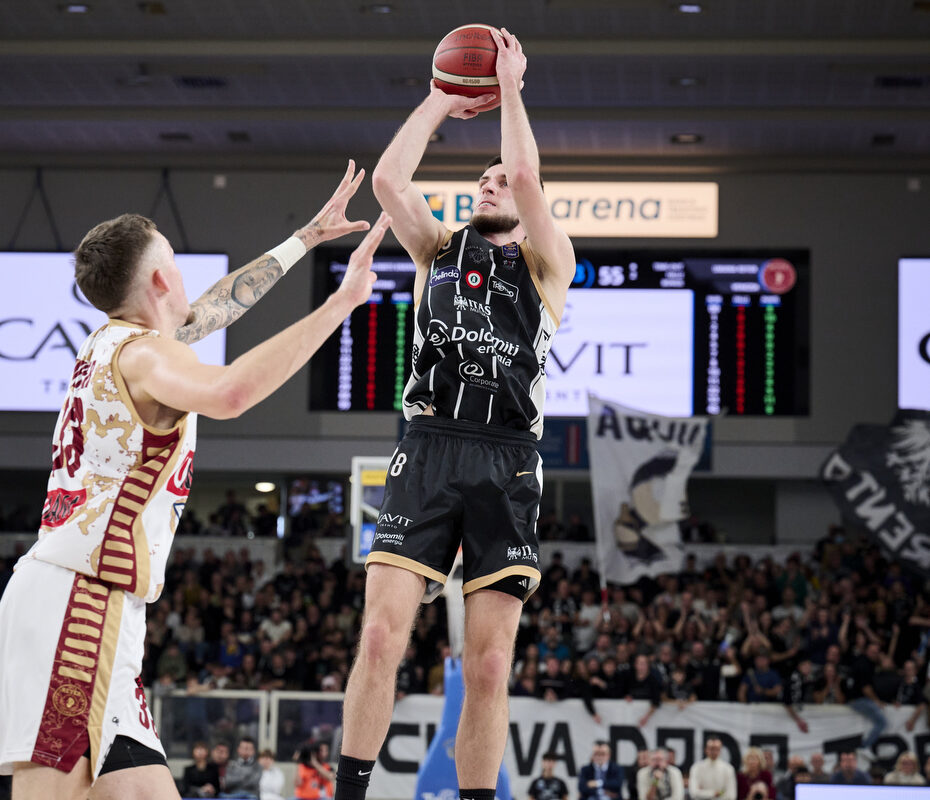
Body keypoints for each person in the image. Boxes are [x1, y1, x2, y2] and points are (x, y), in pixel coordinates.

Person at [0, 163, 389, 800]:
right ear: (159, 278)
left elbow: (213, 309)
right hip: (81, 601)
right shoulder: (150, 356)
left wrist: (305, 240)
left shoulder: (116, 344)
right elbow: (231, 391)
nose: (187, 278)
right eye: (176, 262)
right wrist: (340, 304)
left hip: (93, 602)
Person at [336, 26, 575, 800]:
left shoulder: (549, 265)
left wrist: (509, 88)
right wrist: (443, 97)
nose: (492, 182)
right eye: (485, 176)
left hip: (506, 460)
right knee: (378, 637)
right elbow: (390, 182)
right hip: (430, 445)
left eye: (500, 178)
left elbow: (532, 180)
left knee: (490, 665)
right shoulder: (439, 250)